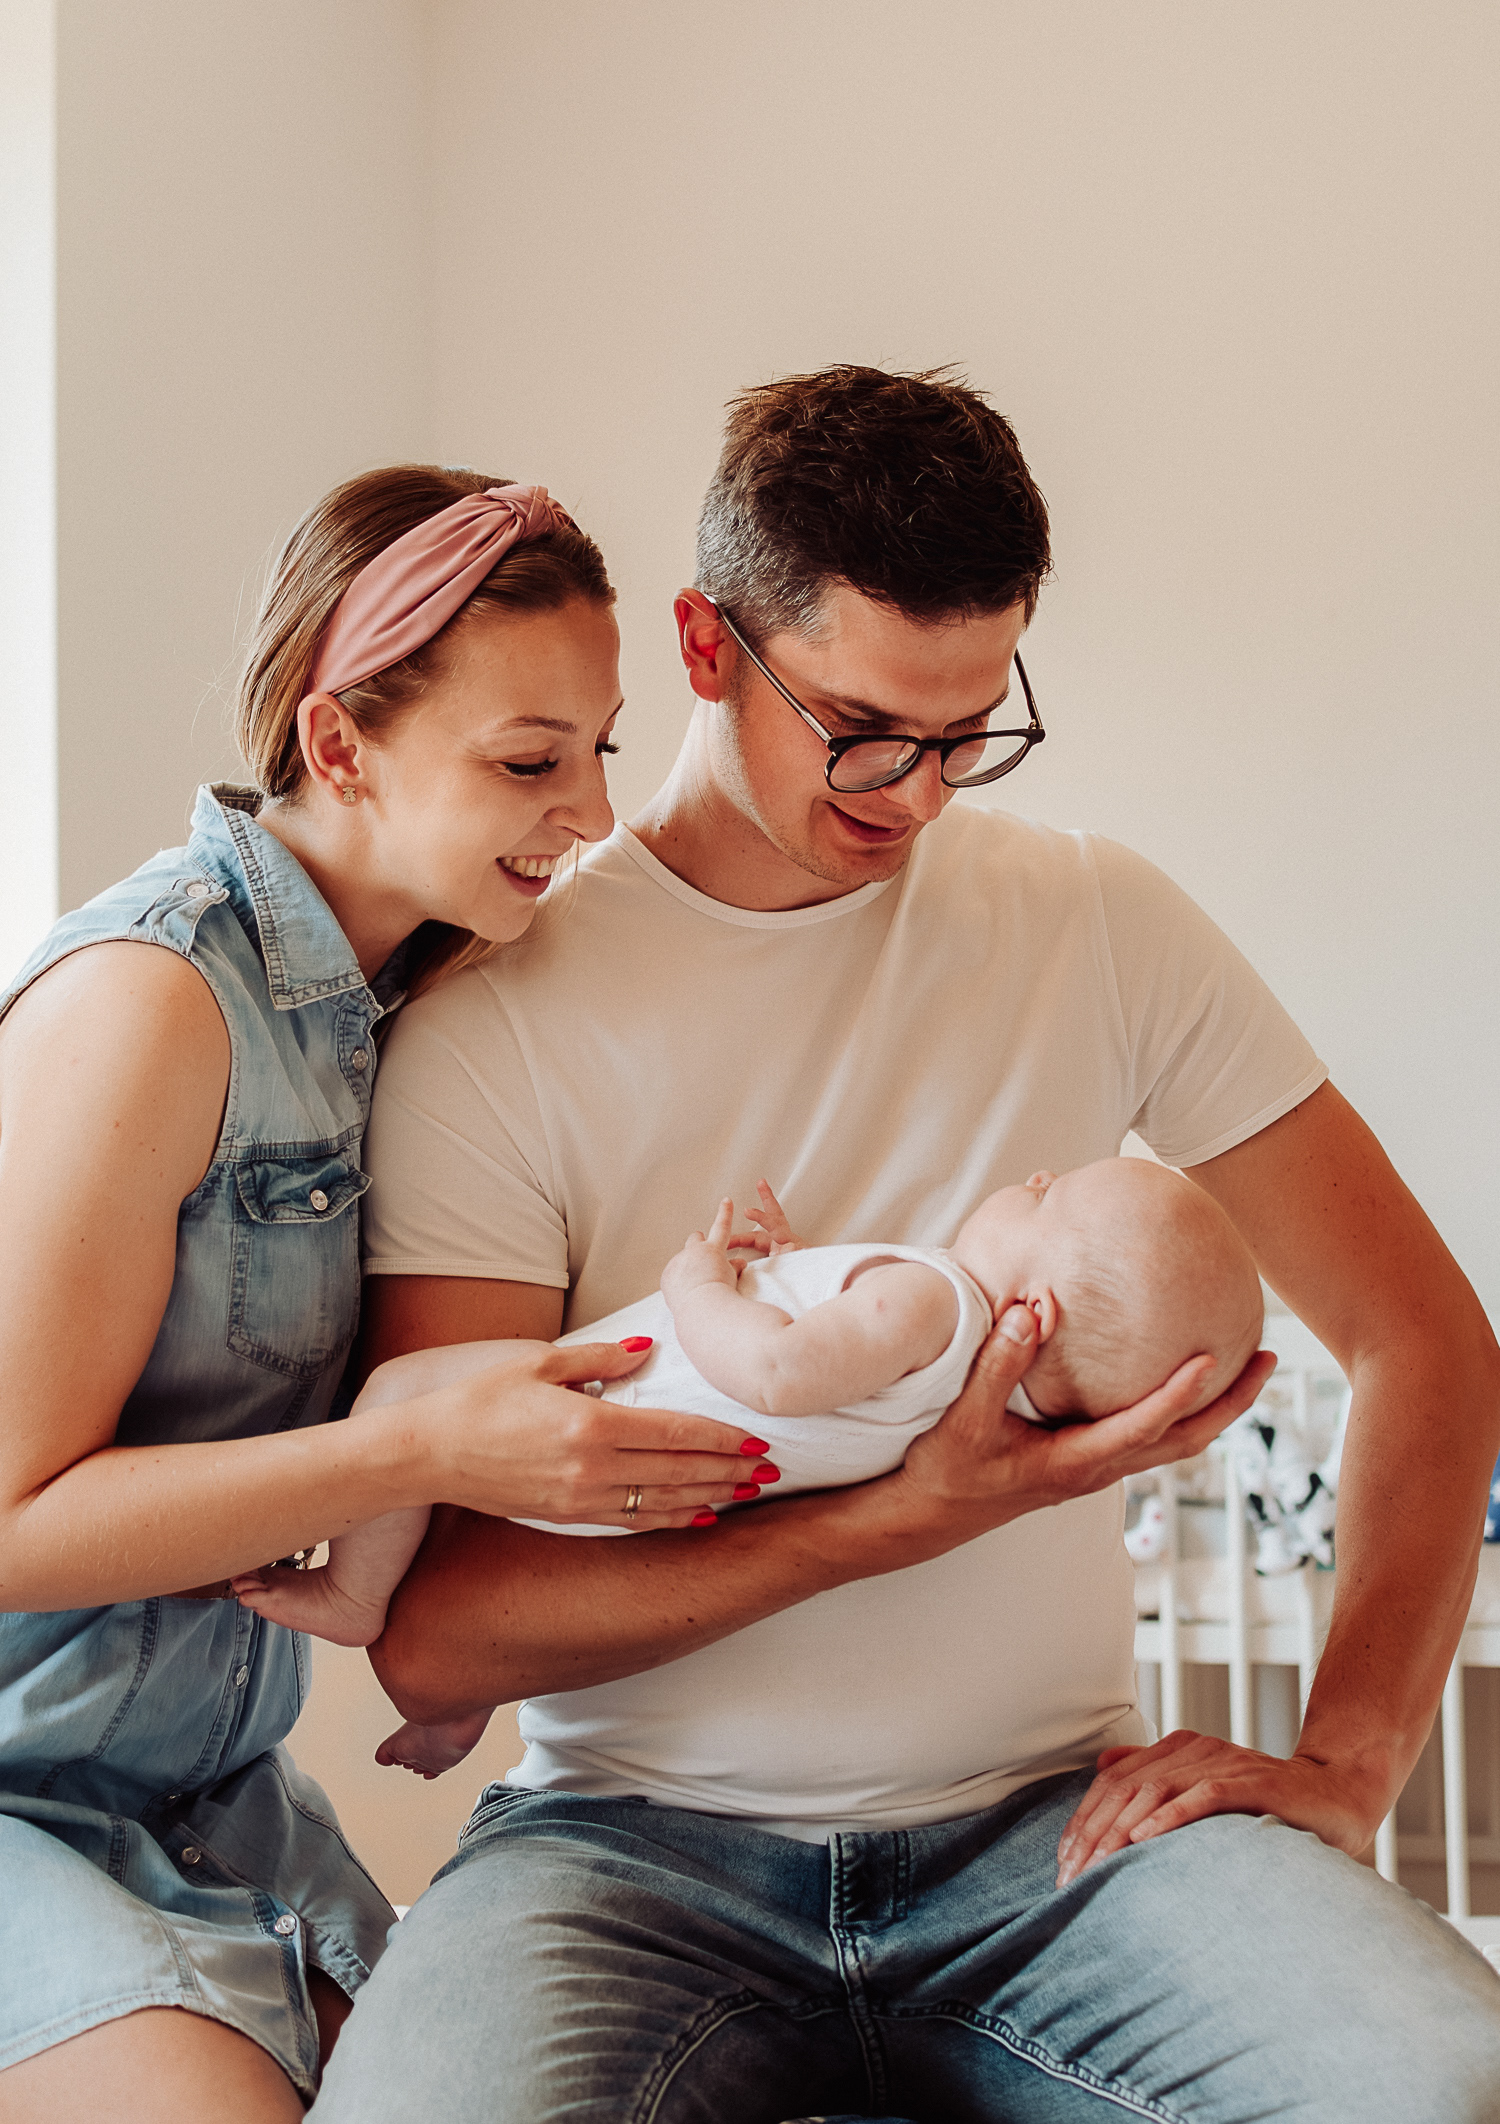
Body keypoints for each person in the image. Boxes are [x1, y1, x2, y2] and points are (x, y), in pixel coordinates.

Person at [314, 370, 1500, 2123]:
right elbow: (438, 1634)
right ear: (707, 647)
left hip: (1057, 1835)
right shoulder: (496, 1015)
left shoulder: (1093, 918)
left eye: (969, 731)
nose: (920, 794)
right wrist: (895, 1520)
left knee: (1442, 2081)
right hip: (626, 1854)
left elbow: (1423, 1337)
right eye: (864, 727)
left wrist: (1349, 1758)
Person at [0, 467, 766, 2124]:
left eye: (601, 749)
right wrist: (417, 1458)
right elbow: (10, 1524)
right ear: (339, 744)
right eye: (529, 762)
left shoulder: (420, 998)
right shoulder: (150, 1000)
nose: (592, 813)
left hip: (210, 1789)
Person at [240, 1157, 1262, 1781]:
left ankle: (352, 1594)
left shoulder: (936, 1298)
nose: (1032, 1177)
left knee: (402, 1399)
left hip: (593, 1425)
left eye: (1050, 1197)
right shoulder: (962, 1404)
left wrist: (699, 1284)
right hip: (640, 1501)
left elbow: (775, 1372)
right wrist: (794, 1271)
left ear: (1034, 1312)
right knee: (468, 1513)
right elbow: (834, 1368)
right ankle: (459, 1705)